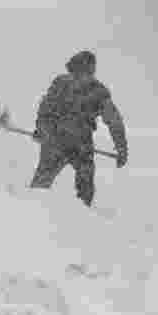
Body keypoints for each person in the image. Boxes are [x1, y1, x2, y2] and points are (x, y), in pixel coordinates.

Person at [29, 50, 128, 207]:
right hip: (72, 143)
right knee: (84, 191)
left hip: (61, 142)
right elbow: (114, 120)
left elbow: (44, 110)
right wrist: (121, 148)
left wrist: (41, 130)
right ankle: (83, 217)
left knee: (42, 184)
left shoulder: (63, 83)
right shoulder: (96, 89)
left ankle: (32, 209)